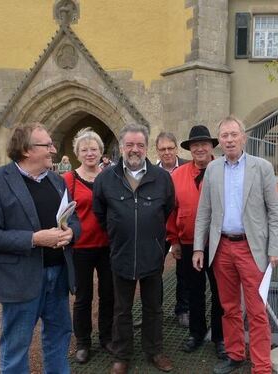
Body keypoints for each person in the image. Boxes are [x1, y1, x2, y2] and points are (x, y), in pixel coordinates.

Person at [0, 122, 80, 374]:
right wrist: (34, 239)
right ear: (27, 150)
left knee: (59, 338)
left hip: (58, 275)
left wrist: (71, 232)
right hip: (20, 279)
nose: (53, 149)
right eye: (47, 145)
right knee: (16, 346)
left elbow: (72, 219)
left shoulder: (56, 181)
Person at [193, 115, 278, 374]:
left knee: (256, 310)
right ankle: (235, 354)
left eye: (234, 134)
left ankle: (261, 366)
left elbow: (275, 212)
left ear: (244, 137)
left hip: (251, 248)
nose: (230, 139)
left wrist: (274, 247)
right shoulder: (213, 169)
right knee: (229, 307)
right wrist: (199, 247)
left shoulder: (262, 167)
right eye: (225, 135)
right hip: (221, 248)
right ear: (219, 141)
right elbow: (204, 212)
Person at [93, 123, 175, 374]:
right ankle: (121, 355)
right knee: (121, 309)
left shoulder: (162, 178)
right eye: (129, 145)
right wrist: (120, 234)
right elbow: (100, 213)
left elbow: (168, 208)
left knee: (153, 307)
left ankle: (155, 350)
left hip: (152, 255)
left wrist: (153, 239)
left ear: (146, 147)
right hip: (121, 254)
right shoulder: (106, 178)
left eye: (140, 145)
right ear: (121, 147)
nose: (135, 150)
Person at [166, 125, 225, 358]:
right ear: (190, 149)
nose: (200, 148)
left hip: (220, 242)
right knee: (194, 290)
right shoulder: (177, 176)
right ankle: (197, 333)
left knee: (221, 292)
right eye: (195, 145)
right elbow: (171, 210)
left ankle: (220, 337)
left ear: (212, 147)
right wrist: (174, 240)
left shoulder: (223, 170)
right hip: (189, 242)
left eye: (204, 144)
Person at [63, 128, 113, 364]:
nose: (90, 153)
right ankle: (83, 342)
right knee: (83, 297)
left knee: (108, 293)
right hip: (81, 247)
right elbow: (62, 213)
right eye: (85, 150)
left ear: (101, 151)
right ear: (77, 153)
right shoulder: (68, 180)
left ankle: (107, 336)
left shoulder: (111, 176)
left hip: (108, 245)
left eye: (94, 149)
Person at [155, 131, 190, 327]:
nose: (167, 152)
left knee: (183, 271)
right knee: (154, 271)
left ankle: (183, 309)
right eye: (162, 149)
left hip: (182, 227)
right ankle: (155, 310)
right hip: (158, 229)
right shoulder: (150, 171)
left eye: (170, 148)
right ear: (157, 151)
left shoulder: (187, 167)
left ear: (176, 148)